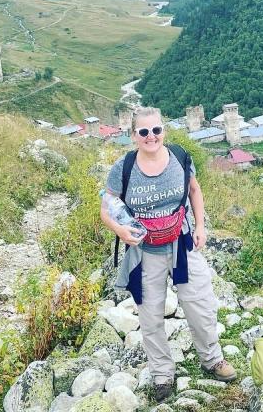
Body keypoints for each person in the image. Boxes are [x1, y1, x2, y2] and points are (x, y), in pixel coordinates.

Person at [101, 106, 236, 401]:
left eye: (157, 130)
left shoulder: (179, 157)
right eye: (144, 132)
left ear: (164, 130)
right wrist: (121, 231)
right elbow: (107, 206)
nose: (152, 137)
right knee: (150, 315)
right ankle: (162, 373)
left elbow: (194, 191)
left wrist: (200, 226)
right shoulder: (123, 168)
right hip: (145, 252)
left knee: (200, 303)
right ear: (134, 135)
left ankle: (212, 360)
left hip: (182, 243)